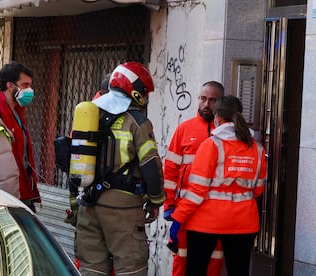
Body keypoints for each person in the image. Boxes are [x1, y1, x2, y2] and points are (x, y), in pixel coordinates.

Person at [75, 62, 165, 276]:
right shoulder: (138, 122)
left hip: (88, 204)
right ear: (136, 91)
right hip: (123, 209)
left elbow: (72, 156)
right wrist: (156, 201)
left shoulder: (88, 114)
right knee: (131, 269)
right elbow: (151, 166)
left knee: (91, 269)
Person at [166, 95, 267, 276]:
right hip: (244, 222)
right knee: (239, 271)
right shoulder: (257, 149)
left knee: (196, 270)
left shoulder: (211, 145)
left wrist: (178, 218)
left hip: (206, 223)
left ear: (217, 118)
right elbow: (258, 189)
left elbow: (197, 191)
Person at [163, 81, 225, 276]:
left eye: (213, 100)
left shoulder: (227, 134)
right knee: (181, 260)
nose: (206, 104)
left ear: (220, 102)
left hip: (215, 211)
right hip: (185, 210)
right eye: (203, 98)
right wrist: (169, 205)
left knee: (213, 263)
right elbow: (170, 170)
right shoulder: (184, 129)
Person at [0, 62, 41, 211]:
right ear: (10, 86)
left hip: (22, 187)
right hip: (10, 192)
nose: (29, 90)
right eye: (25, 85)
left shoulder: (18, 111)